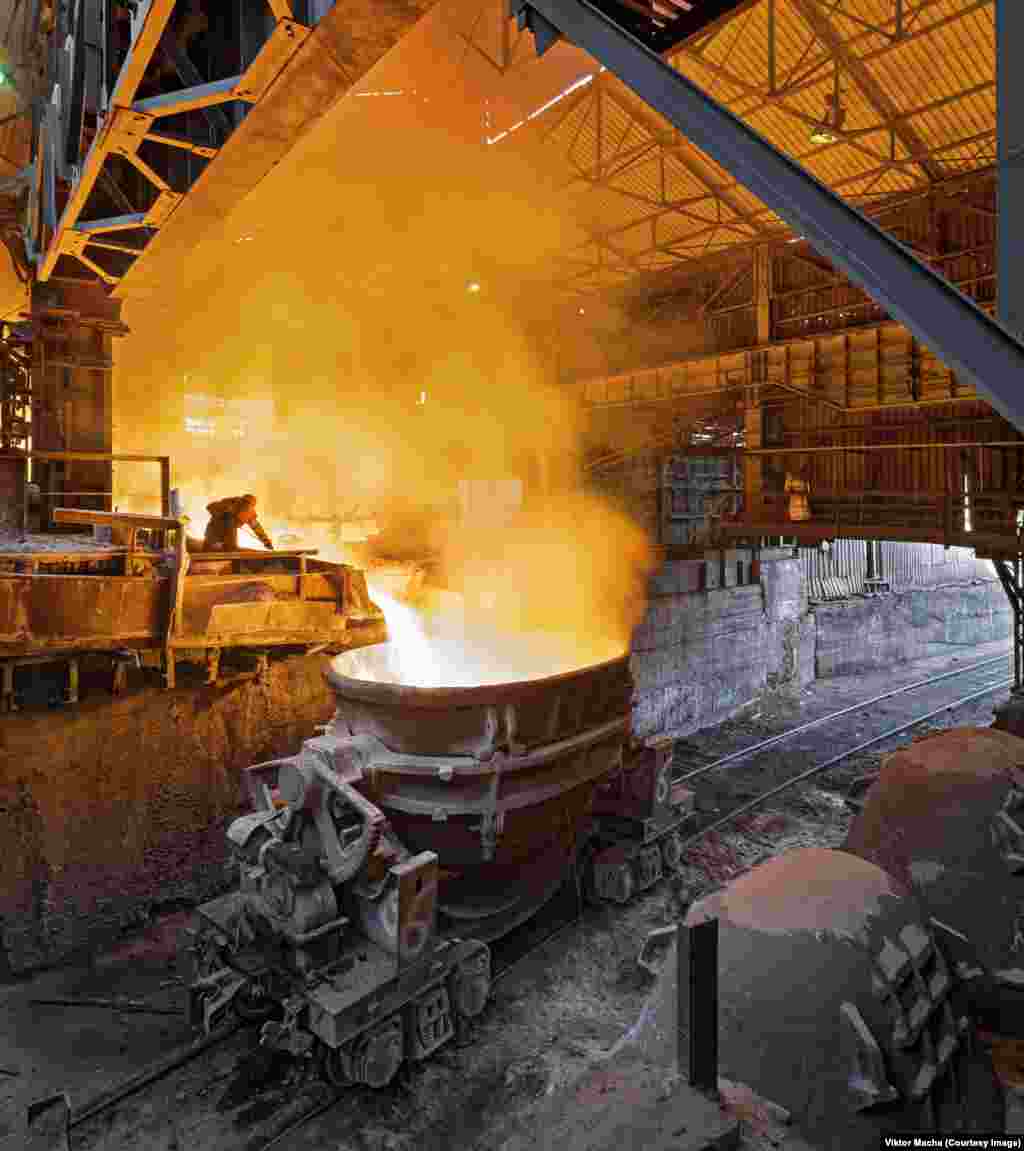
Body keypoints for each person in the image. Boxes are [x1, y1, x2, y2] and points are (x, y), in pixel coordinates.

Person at [203, 494, 274, 551]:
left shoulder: (250, 514)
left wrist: (266, 542)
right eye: (244, 503)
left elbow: (257, 528)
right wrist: (224, 512)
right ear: (241, 501)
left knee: (231, 547)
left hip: (230, 531)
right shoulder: (230, 503)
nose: (246, 506)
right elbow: (209, 507)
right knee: (209, 547)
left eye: (248, 505)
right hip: (215, 528)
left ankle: (230, 556)